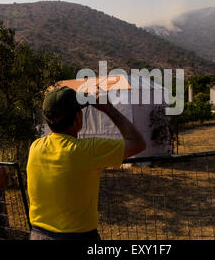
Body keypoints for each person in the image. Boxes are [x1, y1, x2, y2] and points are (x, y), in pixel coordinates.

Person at [27, 86, 146, 240]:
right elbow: (138, 143)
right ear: (77, 118)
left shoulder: (35, 147)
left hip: (38, 234)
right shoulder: (87, 151)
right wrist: (109, 109)